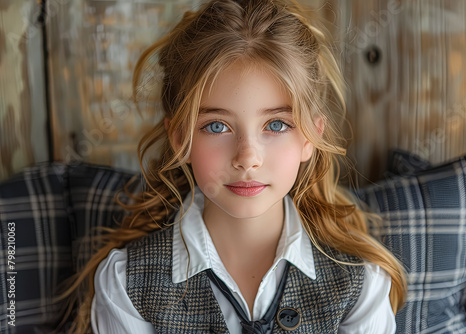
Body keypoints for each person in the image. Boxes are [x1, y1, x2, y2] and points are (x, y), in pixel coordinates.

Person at [59, 0, 407, 333]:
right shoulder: (126, 283)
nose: (247, 157)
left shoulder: (361, 284)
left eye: (276, 125)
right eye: (217, 126)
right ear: (180, 139)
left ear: (309, 139)